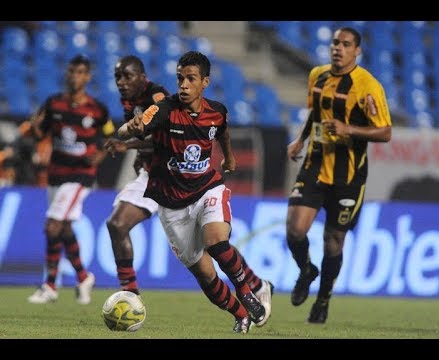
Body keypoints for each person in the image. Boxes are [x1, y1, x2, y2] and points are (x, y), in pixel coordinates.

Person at [117, 51, 272, 333]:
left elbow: (221, 130)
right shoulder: (164, 109)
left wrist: (229, 157)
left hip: (207, 188)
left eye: (191, 79)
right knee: (205, 274)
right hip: (171, 204)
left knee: (216, 241)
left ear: (205, 82)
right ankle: (240, 314)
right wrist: (130, 127)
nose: (184, 85)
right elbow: (133, 127)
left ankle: (245, 291)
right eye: (180, 79)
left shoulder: (217, 111)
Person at [286, 27, 392, 324]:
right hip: (315, 164)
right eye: (335, 42)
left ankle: (323, 299)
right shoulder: (317, 75)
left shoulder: (368, 86)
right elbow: (315, 113)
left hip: (349, 176)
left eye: (345, 44)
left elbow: (385, 132)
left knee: (333, 240)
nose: (338, 48)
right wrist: (300, 139)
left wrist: (349, 129)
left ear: (356, 50)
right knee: (295, 231)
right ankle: (306, 270)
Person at [27, 54, 116, 304]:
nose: (75, 76)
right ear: (67, 74)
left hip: (80, 176)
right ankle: (83, 276)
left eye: (80, 72)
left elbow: (112, 139)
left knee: (52, 225)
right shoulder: (54, 104)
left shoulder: (98, 110)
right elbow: (39, 135)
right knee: (63, 228)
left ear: (87, 76)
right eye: (71, 71)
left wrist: (99, 155)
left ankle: (49, 285)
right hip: (56, 173)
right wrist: (35, 128)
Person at [103, 55, 169, 296]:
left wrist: (127, 146)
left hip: (176, 176)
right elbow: (144, 138)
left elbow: (168, 140)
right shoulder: (129, 101)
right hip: (152, 175)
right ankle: (130, 294)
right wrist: (140, 156)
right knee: (117, 224)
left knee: (207, 250)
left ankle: (256, 286)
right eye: (117, 77)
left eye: (127, 76)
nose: (121, 82)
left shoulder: (157, 97)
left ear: (143, 77)